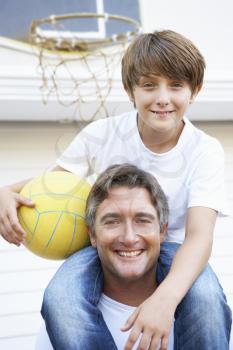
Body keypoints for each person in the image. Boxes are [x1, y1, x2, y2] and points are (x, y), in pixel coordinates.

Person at [0, 30, 232, 349]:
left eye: (176, 85)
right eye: (149, 85)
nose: (162, 97)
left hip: (175, 247)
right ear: (129, 90)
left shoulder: (204, 150)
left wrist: (164, 300)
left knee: (206, 301)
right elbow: (52, 185)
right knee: (60, 298)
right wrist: (4, 191)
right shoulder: (102, 134)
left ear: (195, 91)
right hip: (105, 246)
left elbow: (199, 236)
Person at [36, 163, 174, 350]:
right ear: (92, 235)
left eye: (142, 220)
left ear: (162, 231)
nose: (129, 237)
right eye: (112, 221)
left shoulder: (203, 318)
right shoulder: (64, 325)